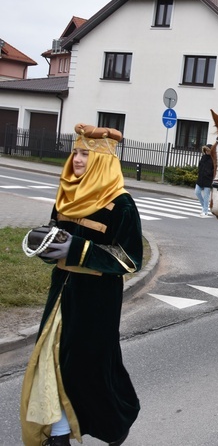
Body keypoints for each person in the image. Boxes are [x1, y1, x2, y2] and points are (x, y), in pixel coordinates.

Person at [20, 124, 142, 446]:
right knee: (51, 361)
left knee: (86, 370)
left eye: (86, 153)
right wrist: (46, 246)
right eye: (76, 151)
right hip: (61, 292)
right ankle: (59, 435)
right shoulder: (66, 196)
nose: (77, 158)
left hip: (97, 301)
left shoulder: (123, 204)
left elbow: (130, 259)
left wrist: (77, 249)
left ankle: (116, 423)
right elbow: (54, 235)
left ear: (102, 161)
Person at [195, 144, 213, 217]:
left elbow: (214, 169)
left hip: (208, 180)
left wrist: (209, 174)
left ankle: (205, 211)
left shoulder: (213, 159)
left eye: (209, 150)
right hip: (200, 178)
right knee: (197, 192)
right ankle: (204, 207)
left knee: (206, 196)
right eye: (206, 150)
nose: (207, 152)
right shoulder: (203, 157)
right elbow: (200, 166)